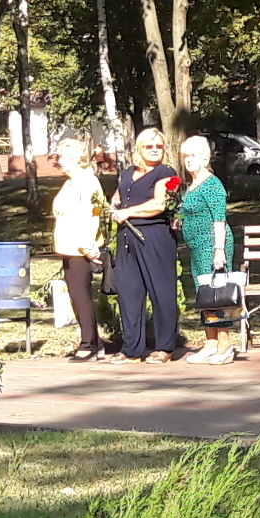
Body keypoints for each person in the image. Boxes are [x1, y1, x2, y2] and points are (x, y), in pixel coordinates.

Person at [110, 124, 184, 364]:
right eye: (149, 146)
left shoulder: (166, 172)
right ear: (139, 149)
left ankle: (165, 347)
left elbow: (159, 204)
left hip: (154, 236)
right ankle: (131, 348)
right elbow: (119, 195)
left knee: (161, 292)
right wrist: (115, 204)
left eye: (159, 146)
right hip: (127, 237)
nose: (154, 149)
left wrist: (128, 212)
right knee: (129, 293)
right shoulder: (128, 172)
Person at [176, 131, 237, 362]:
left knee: (218, 293)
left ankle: (225, 344)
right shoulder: (193, 185)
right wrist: (179, 220)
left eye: (193, 156)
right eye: (186, 156)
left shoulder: (212, 184)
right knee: (204, 294)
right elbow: (190, 212)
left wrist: (219, 250)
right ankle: (210, 341)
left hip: (212, 245)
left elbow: (219, 219)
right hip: (196, 247)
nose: (189, 160)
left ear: (205, 158)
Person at [50, 135, 110, 360]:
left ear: (76, 157)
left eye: (63, 156)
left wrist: (87, 245)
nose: (59, 161)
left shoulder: (86, 180)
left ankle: (89, 344)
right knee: (76, 295)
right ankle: (94, 341)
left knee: (81, 295)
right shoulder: (71, 181)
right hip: (68, 247)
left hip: (81, 248)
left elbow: (93, 213)